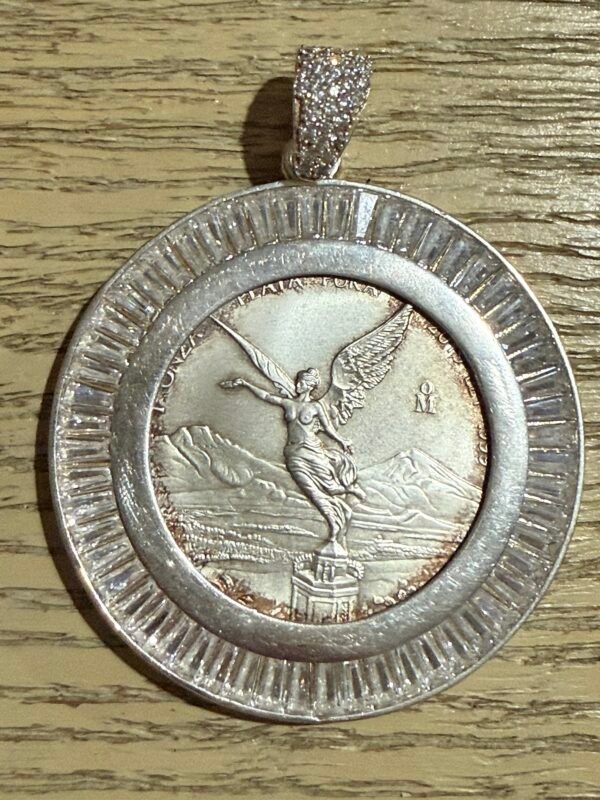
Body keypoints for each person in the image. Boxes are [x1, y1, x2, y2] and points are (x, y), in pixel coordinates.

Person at [224, 367, 365, 548]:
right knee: (311, 491)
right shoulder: (288, 403)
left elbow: (328, 428)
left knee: (331, 488)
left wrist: (342, 441)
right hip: (293, 454)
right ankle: (333, 525)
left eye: (302, 383)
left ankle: (350, 490)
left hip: (312, 451)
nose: (297, 385)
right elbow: (267, 396)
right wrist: (245, 384)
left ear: (310, 386)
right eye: (298, 382)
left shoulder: (315, 407)